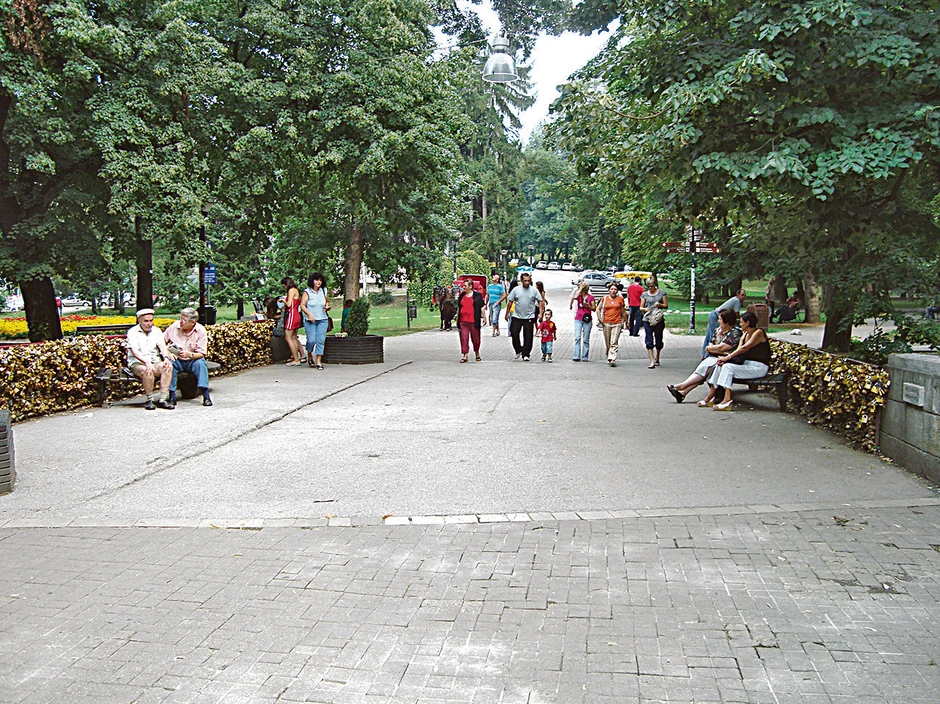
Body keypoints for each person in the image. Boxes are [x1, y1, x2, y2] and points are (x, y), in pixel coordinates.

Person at [666, 309, 741, 403]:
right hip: (714, 357)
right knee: (704, 369)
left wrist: (712, 349)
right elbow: (710, 345)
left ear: (727, 321)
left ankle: (682, 386)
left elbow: (723, 347)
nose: (718, 321)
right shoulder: (717, 330)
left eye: (720, 319)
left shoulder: (735, 332)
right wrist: (712, 348)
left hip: (726, 359)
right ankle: (683, 393)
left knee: (706, 368)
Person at [705, 310, 772, 411]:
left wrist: (727, 358)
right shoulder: (745, 335)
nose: (740, 324)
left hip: (759, 367)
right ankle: (712, 396)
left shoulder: (759, 332)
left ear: (748, 323)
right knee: (722, 365)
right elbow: (738, 351)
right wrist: (725, 358)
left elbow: (745, 348)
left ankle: (727, 400)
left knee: (728, 368)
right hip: (747, 365)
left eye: (741, 322)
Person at [164, 307, 212, 407]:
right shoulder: (174, 327)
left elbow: (202, 353)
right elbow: (161, 342)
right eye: (180, 318)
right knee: (170, 364)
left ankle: (206, 395)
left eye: (184, 320)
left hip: (192, 359)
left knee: (200, 363)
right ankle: (172, 395)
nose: (181, 322)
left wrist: (189, 354)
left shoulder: (200, 330)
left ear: (192, 322)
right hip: (177, 358)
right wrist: (168, 352)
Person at [126, 308, 174, 410]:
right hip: (138, 363)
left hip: (155, 361)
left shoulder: (156, 331)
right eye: (146, 321)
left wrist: (166, 358)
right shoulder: (132, 332)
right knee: (147, 370)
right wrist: (146, 362)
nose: (149, 324)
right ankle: (150, 399)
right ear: (139, 320)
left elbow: (162, 347)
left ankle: (163, 399)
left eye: (151, 320)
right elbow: (135, 352)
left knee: (167, 367)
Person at [504, 272, 543, 361]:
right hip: (516, 316)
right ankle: (518, 349)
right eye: (525, 281)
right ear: (521, 281)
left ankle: (526, 354)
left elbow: (540, 301)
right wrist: (507, 313)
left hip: (529, 316)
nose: (527, 282)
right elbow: (510, 301)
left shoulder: (534, 290)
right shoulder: (516, 290)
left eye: (528, 281)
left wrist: (540, 313)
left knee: (528, 336)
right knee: (514, 333)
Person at [702, 289, 747, 357]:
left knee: (709, 335)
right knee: (714, 336)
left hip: (713, 314)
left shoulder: (734, 299)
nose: (744, 297)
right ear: (737, 295)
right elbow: (736, 314)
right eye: (742, 295)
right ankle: (707, 355)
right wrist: (742, 319)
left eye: (745, 295)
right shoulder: (737, 300)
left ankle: (704, 354)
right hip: (717, 316)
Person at [300, 272, 331, 369]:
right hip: (310, 320)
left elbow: (327, 301)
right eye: (316, 280)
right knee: (311, 340)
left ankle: (318, 361)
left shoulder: (324, 291)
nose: (319, 282)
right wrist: (309, 314)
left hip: (322, 319)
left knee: (320, 340)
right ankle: (309, 354)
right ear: (312, 281)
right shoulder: (307, 292)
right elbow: (302, 305)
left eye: (320, 280)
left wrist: (327, 306)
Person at [597, 282, 628, 367]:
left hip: (617, 322)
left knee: (614, 341)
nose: (613, 291)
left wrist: (626, 322)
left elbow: (623, 311)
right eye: (612, 289)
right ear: (609, 290)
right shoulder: (604, 298)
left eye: (615, 289)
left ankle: (612, 358)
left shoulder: (620, 299)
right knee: (608, 342)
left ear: (617, 291)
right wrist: (600, 319)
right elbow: (598, 309)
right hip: (606, 322)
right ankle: (608, 354)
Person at [640, 279, 668, 369]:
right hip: (647, 319)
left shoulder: (661, 293)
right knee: (649, 339)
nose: (650, 288)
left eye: (651, 286)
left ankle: (657, 357)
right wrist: (645, 309)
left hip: (658, 319)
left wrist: (659, 304)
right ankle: (651, 360)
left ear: (655, 285)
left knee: (658, 339)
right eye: (648, 286)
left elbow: (666, 305)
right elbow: (641, 307)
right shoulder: (644, 294)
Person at [456, 278, 485, 362]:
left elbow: (482, 306)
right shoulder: (461, 295)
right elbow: (459, 308)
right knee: (464, 338)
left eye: (465, 286)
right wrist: (457, 319)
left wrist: (484, 317)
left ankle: (477, 352)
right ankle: (465, 355)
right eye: (463, 285)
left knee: (476, 339)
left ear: (470, 286)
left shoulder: (477, 295)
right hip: (463, 321)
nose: (463, 287)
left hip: (473, 321)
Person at [569, 281, 596, 362]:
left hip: (587, 319)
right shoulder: (579, 295)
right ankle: (576, 356)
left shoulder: (591, 297)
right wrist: (580, 288)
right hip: (578, 318)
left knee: (585, 339)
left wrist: (588, 306)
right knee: (577, 337)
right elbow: (575, 297)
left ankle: (585, 356)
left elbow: (594, 308)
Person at [281, 276, 303, 365]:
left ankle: (295, 359)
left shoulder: (291, 290)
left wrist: (283, 300)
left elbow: (289, 304)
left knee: (288, 337)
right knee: (293, 337)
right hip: (297, 314)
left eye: (284, 286)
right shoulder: (296, 290)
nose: (284, 288)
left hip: (292, 314)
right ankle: (297, 358)